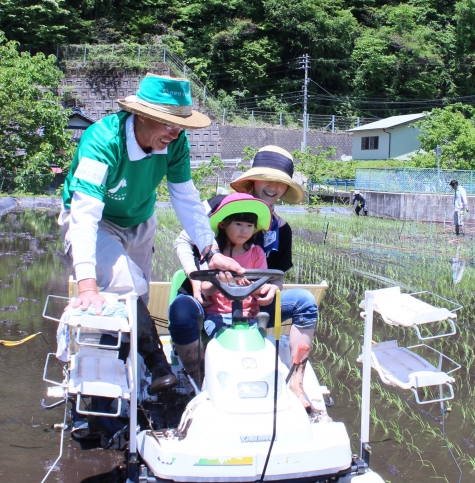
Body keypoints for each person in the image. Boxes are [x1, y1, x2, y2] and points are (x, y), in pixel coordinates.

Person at [59, 73, 243, 395]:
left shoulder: (175, 144)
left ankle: (133, 372)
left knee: (138, 297)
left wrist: (211, 252)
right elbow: (85, 213)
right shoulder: (102, 141)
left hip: (141, 221)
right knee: (123, 283)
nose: (175, 134)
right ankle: (156, 363)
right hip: (98, 220)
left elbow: (185, 197)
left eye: (180, 126)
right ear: (143, 116)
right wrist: (87, 283)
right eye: (168, 125)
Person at [169, 146, 318, 411]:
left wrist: (273, 289)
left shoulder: (280, 228)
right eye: (266, 180)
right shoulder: (218, 205)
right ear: (252, 180)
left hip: (252, 302)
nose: (272, 188)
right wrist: (194, 279)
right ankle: (197, 380)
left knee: (304, 302)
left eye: (280, 184)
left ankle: (296, 381)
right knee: (181, 310)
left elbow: (278, 275)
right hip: (205, 294)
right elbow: (183, 239)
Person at [199, 193, 273, 337]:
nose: (244, 230)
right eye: (238, 224)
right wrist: (220, 282)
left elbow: (262, 288)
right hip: (217, 316)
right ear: (223, 224)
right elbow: (205, 290)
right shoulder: (212, 253)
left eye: (249, 225)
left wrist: (251, 287)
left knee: (255, 345)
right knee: (225, 341)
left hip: (249, 317)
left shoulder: (257, 253)